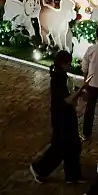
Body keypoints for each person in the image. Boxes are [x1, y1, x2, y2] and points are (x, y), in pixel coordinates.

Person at [30, 50, 83, 183]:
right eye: (68, 63)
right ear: (62, 63)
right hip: (62, 117)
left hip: (66, 115)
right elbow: (67, 100)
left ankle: (72, 175)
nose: (70, 65)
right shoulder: (58, 79)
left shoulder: (62, 75)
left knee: (72, 145)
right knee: (60, 147)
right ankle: (39, 169)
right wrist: (81, 91)